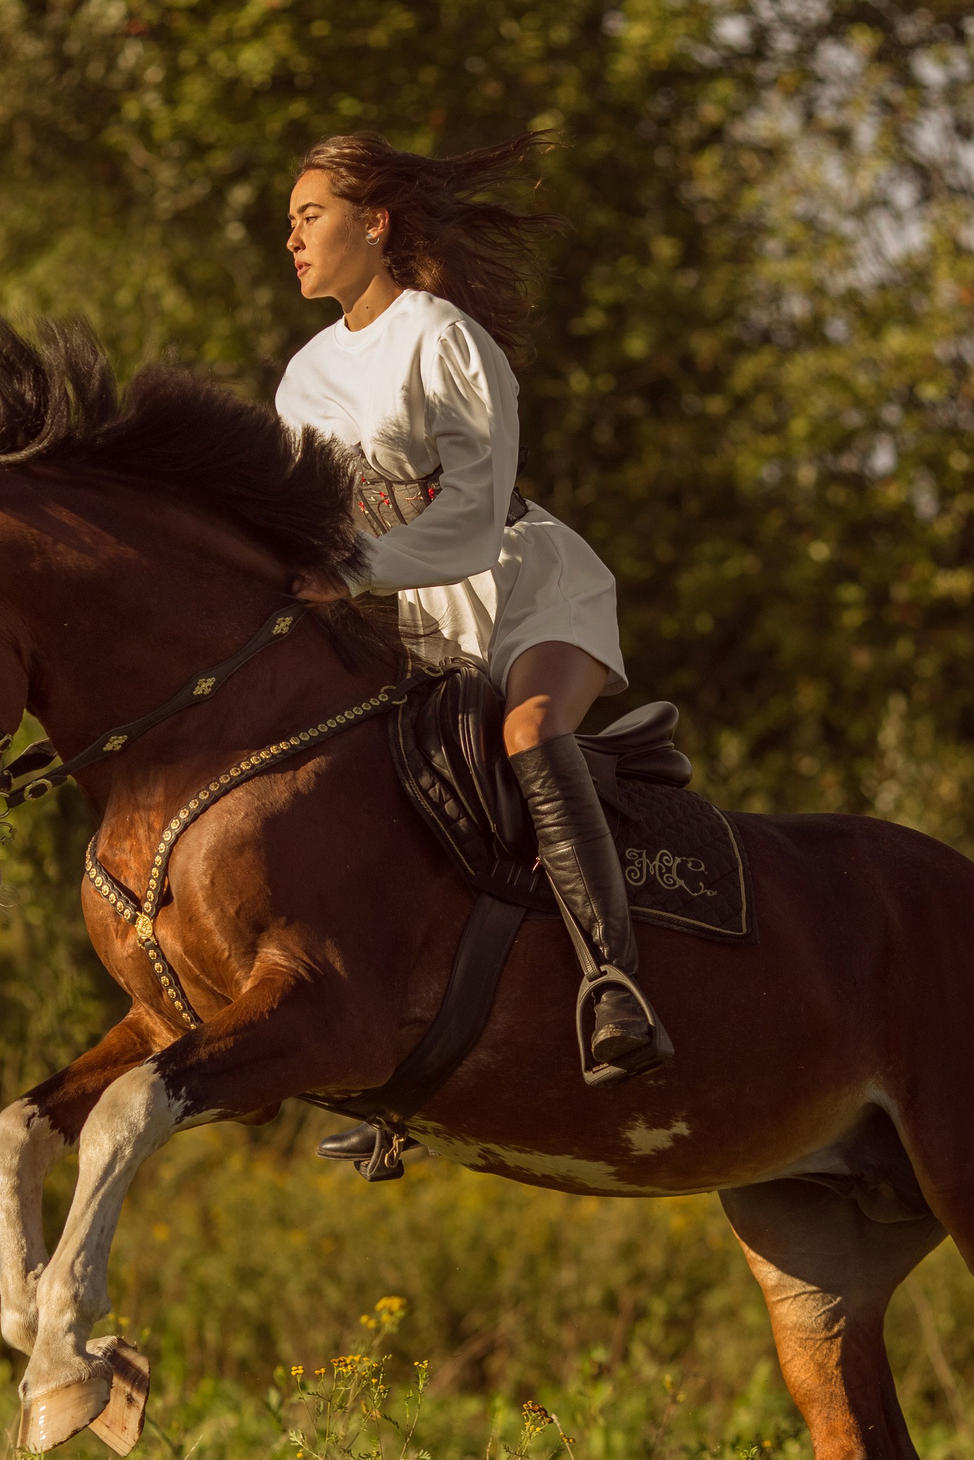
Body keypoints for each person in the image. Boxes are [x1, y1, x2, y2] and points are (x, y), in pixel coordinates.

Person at [274, 130, 672, 1153]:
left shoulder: (440, 336)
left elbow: (472, 515)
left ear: (375, 223)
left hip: (527, 584)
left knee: (530, 731)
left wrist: (350, 573)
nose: (292, 238)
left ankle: (612, 983)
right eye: (288, 223)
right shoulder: (302, 378)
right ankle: (409, 1068)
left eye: (310, 215)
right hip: (418, 623)